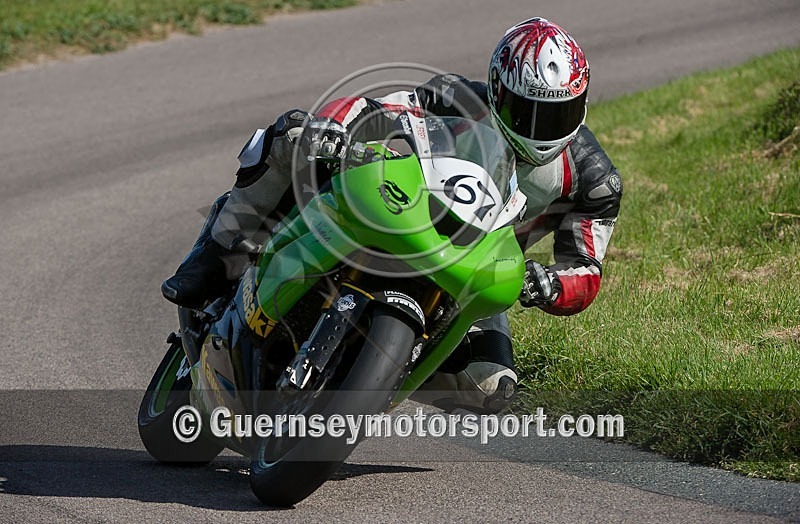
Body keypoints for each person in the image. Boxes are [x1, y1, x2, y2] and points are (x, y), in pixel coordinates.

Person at [161, 18, 622, 415]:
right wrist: (333, 129)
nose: (541, 129)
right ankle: (214, 255)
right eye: (527, 111)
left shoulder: (594, 181)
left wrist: (549, 284)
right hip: (404, 209)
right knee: (291, 133)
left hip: (473, 269)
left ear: (580, 106)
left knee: (491, 386)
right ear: (499, 91)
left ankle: (366, 383)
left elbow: (586, 266)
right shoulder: (458, 97)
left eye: (557, 114)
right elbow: (377, 106)